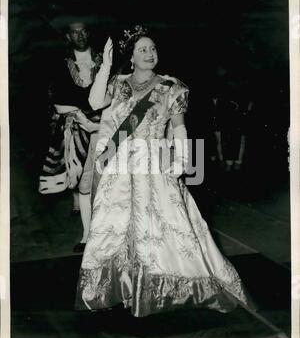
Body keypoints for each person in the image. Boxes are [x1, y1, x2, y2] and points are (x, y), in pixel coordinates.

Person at [75, 26, 251, 317]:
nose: (150, 53)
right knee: (117, 227)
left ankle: (161, 286)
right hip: (119, 165)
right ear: (130, 57)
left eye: (153, 48)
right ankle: (125, 285)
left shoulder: (172, 87)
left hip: (154, 164)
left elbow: (180, 126)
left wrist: (183, 160)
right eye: (142, 49)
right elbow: (94, 102)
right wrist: (105, 66)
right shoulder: (118, 84)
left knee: (160, 226)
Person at [39, 19, 111, 252]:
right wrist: (78, 116)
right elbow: (57, 98)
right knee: (83, 181)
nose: (80, 36)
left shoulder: (104, 60)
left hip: (104, 128)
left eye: (83, 32)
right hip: (77, 128)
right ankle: (87, 236)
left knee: (108, 180)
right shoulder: (60, 65)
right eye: (75, 33)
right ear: (68, 37)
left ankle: (109, 233)